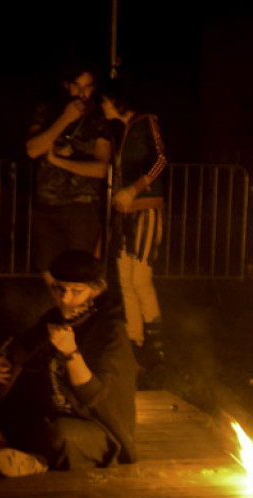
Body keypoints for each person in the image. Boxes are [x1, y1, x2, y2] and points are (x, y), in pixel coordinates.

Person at [0, 250, 137, 477]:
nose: (65, 299)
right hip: (47, 416)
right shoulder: (55, 318)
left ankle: (0, 449)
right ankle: (5, 451)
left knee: (63, 436)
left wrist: (71, 353)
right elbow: (21, 346)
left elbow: (93, 396)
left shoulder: (110, 332)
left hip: (94, 426)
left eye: (76, 291)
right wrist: (1, 363)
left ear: (96, 290)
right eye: (60, 289)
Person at [100, 79, 168, 368]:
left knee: (140, 279)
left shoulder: (146, 122)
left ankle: (156, 347)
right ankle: (134, 340)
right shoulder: (119, 130)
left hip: (145, 211)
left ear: (117, 101)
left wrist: (134, 189)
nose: (101, 106)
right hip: (124, 213)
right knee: (126, 281)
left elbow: (161, 159)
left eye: (104, 101)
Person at [25, 65, 111, 284]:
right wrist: (64, 119)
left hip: (82, 204)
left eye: (88, 87)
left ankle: (82, 315)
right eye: (77, 86)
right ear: (66, 85)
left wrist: (58, 161)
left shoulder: (100, 118)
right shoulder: (47, 111)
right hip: (47, 203)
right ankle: (65, 313)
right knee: (49, 270)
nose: (82, 94)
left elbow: (101, 169)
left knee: (81, 272)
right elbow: (33, 149)